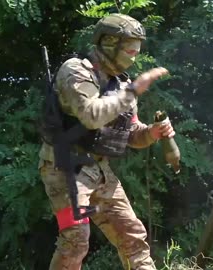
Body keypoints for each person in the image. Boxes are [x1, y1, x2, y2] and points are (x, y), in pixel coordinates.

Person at [38, 13, 174, 270]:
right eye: (130, 50)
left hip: (99, 170)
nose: (134, 57)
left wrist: (153, 132)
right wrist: (133, 90)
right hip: (65, 168)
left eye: (137, 51)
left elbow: (132, 133)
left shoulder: (122, 84)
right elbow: (91, 115)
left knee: (132, 235)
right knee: (75, 241)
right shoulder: (76, 70)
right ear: (109, 43)